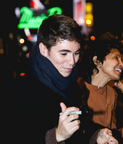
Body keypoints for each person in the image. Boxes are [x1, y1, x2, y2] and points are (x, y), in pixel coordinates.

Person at [1, 15, 118, 144]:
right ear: (43, 49)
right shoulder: (18, 92)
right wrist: (55, 136)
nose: (72, 61)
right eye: (64, 53)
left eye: (76, 53)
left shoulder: (73, 83)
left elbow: (79, 128)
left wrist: (96, 135)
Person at [77, 37, 123, 143]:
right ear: (97, 61)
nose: (122, 64)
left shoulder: (112, 93)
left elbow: (112, 131)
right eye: (116, 58)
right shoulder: (77, 88)